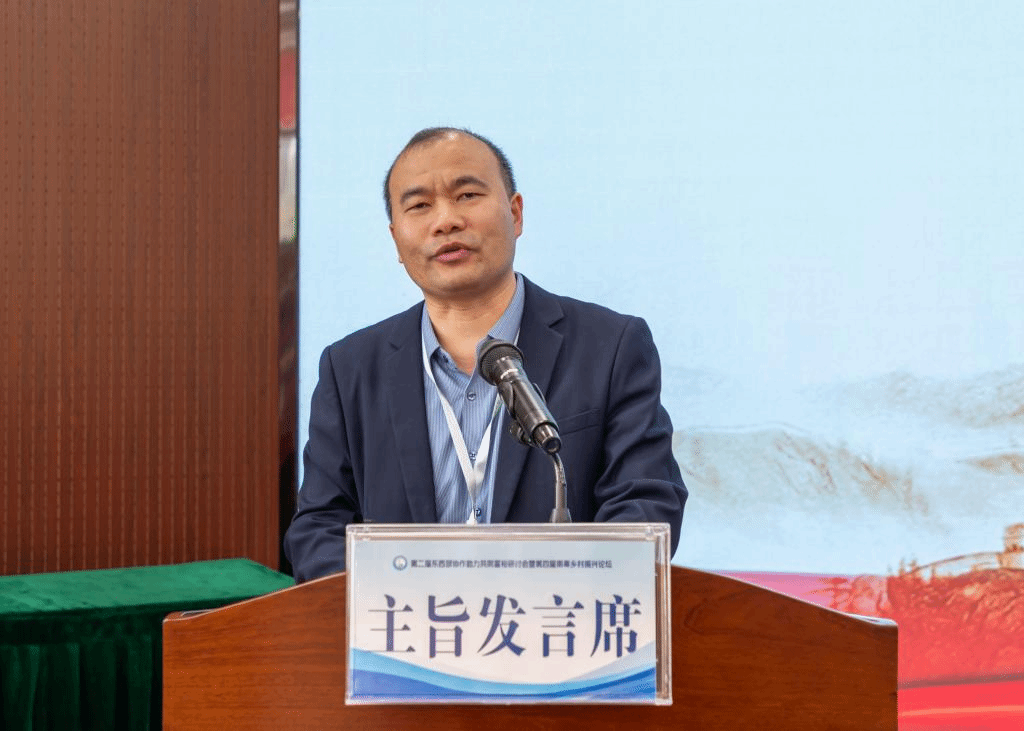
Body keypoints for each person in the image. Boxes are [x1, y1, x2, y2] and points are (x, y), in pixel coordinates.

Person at [284, 127, 686, 582]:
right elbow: (319, 528)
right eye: (419, 206)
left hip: (556, 618)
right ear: (396, 239)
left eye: (468, 195)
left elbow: (645, 505)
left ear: (515, 213)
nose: (446, 221)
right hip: (405, 623)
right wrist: (392, 607)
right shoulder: (350, 368)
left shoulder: (610, 346)